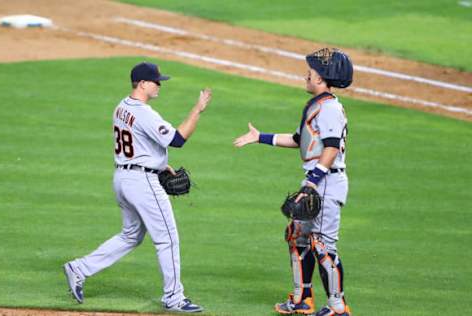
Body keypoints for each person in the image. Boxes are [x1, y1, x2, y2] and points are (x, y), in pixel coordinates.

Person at [63, 61, 212, 313]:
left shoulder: (121, 107)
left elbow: (138, 141)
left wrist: (159, 165)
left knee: (130, 235)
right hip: (142, 183)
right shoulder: (144, 113)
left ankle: (79, 268)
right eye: (156, 82)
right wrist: (197, 110)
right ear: (142, 84)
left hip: (123, 178)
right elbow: (177, 140)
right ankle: (174, 298)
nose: (160, 86)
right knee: (168, 239)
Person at [234, 48, 353, 316]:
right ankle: (302, 298)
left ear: (321, 79)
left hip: (326, 182)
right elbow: (300, 141)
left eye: (310, 71)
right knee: (297, 236)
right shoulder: (317, 105)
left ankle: (338, 306)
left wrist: (312, 181)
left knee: (322, 245)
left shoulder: (330, 108)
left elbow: (331, 149)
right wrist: (260, 137)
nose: (306, 74)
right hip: (316, 181)